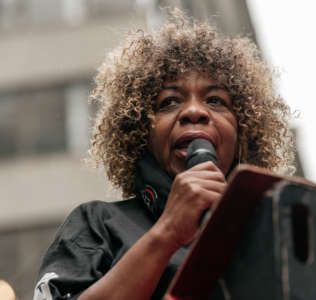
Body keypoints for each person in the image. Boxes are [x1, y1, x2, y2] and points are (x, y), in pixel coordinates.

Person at [34, 9, 294, 300]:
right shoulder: (98, 225)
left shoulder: (277, 238)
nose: (195, 111)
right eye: (169, 101)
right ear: (140, 130)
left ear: (243, 128)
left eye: (215, 100)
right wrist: (168, 232)